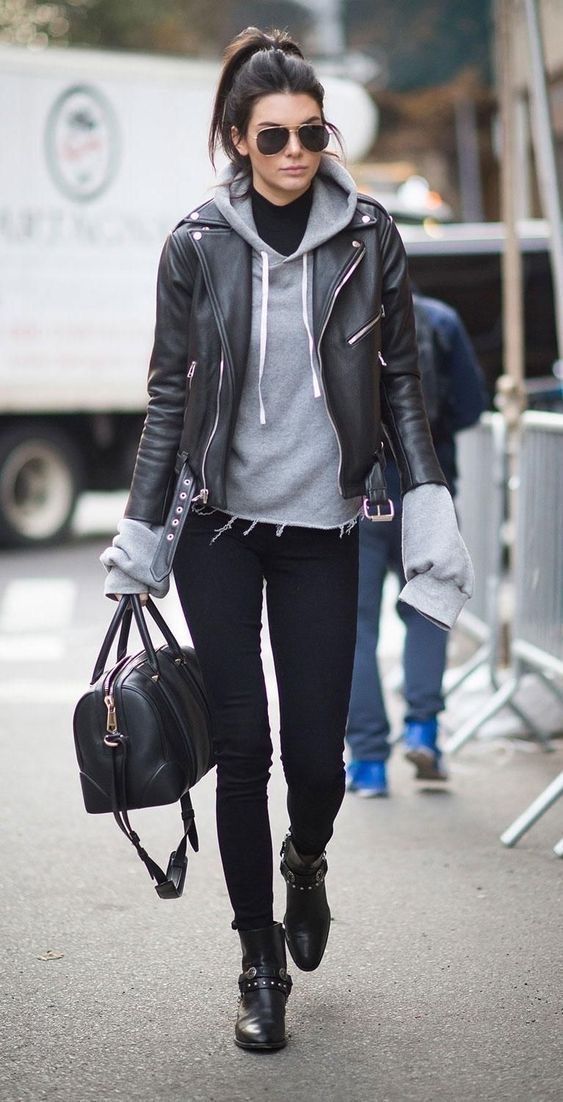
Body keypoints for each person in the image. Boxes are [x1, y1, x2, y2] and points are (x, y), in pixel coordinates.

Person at [100, 27, 473, 1052]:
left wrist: (426, 495)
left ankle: (305, 858)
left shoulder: (368, 236)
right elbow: (168, 399)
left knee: (316, 759)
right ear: (237, 139)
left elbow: (400, 384)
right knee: (242, 750)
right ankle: (257, 961)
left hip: (322, 526)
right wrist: (140, 532)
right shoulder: (196, 244)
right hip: (216, 527)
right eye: (274, 137)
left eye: (312, 132)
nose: (296, 152)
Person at [346, 293, 487, 797]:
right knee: (429, 607)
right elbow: (471, 405)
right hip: (428, 484)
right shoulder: (439, 319)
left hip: (355, 494)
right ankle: (424, 731)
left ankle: (368, 762)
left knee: (354, 627)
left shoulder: (337, 318)